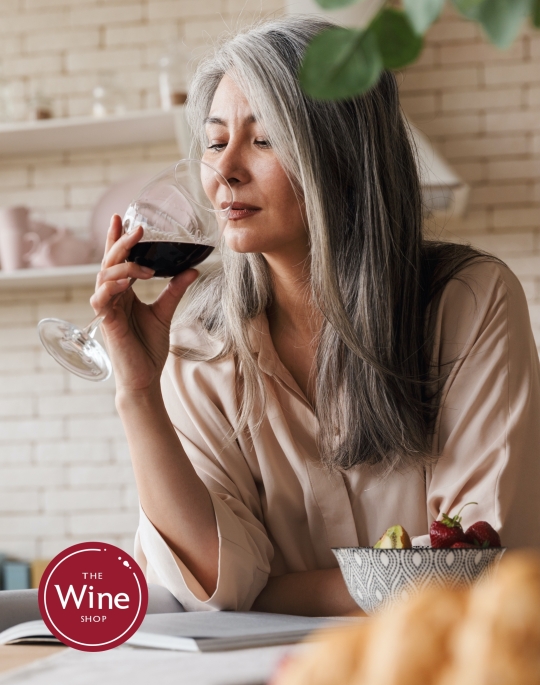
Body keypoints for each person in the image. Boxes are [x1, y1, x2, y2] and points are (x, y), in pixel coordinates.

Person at [91, 16, 540, 616]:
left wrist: (271, 593)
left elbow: (468, 569)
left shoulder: (471, 302)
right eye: (216, 140)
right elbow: (214, 587)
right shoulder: (199, 338)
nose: (225, 171)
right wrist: (138, 393)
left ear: (344, 155)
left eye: (265, 138)